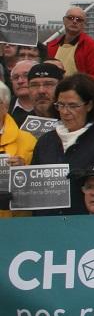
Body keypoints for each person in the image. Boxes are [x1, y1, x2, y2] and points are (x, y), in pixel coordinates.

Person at [30, 74, 94, 215]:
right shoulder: (45, 141)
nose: (65, 112)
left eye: (73, 105)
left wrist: (87, 176)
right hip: (47, 224)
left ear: (89, 105)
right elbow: (33, 187)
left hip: (86, 224)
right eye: (60, 105)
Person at [0, 81, 37, 218]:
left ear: (5, 106)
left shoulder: (28, 140)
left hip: (18, 223)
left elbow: (43, 186)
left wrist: (24, 170)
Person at [45, 6, 94, 82]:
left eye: (79, 19)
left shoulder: (92, 47)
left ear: (84, 24)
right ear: (64, 20)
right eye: (70, 18)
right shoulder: (51, 46)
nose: (74, 21)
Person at [8, 59, 38, 126]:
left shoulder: (52, 108)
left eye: (26, 76)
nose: (20, 81)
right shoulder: (4, 107)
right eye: (15, 77)